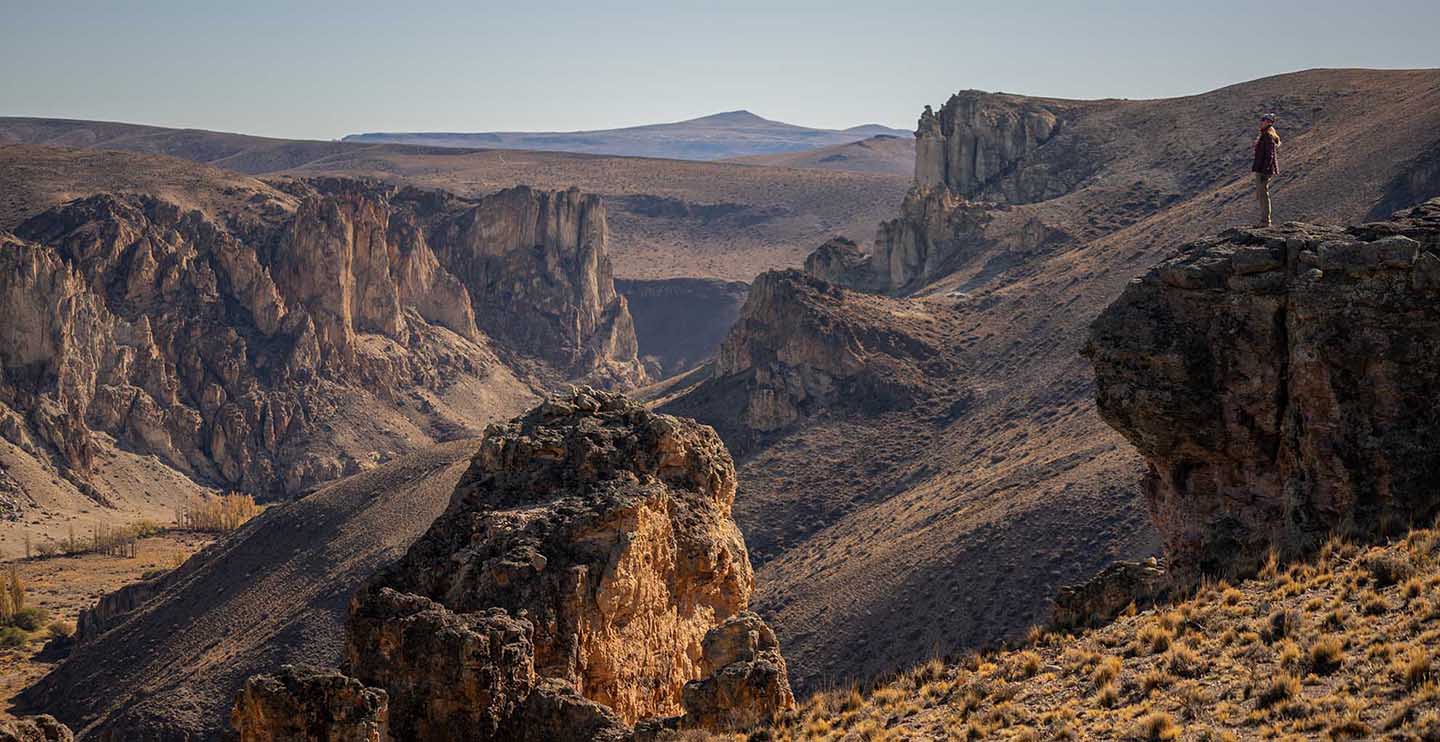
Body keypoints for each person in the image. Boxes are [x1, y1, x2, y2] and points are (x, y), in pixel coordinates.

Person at [1252, 113, 1281, 227]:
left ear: (1269, 122)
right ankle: (1264, 220)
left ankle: (1265, 221)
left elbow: (1270, 155)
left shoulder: (1268, 136)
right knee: (1261, 193)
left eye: (1264, 120)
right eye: (1262, 120)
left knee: (1263, 194)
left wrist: (1265, 171)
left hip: (1263, 170)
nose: (1261, 122)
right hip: (1262, 169)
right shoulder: (1265, 135)